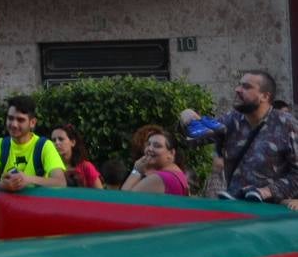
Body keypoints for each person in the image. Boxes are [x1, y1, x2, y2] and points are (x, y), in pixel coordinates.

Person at [181, 70, 298, 203]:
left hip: (273, 214)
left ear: (265, 96)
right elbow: (194, 139)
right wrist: (186, 118)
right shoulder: (231, 119)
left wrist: (266, 191)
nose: (237, 90)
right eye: (239, 85)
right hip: (237, 210)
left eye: (246, 87)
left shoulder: (287, 125)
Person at [0, 95, 67, 191]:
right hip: (7, 205)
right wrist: (3, 185)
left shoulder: (45, 146)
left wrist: (28, 179)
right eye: (10, 118)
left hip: (37, 205)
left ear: (32, 123)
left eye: (20, 120)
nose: (14, 124)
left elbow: (60, 182)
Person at [121, 130, 189, 196]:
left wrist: (136, 171)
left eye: (157, 146)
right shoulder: (177, 174)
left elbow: (123, 200)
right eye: (148, 144)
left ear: (171, 153)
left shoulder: (160, 178)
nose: (150, 149)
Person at [51, 125, 103, 189]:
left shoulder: (86, 167)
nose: (57, 143)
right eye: (54, 140)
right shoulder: (50, 167)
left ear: (72, 142)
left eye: (61, 139)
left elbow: (100, 195)